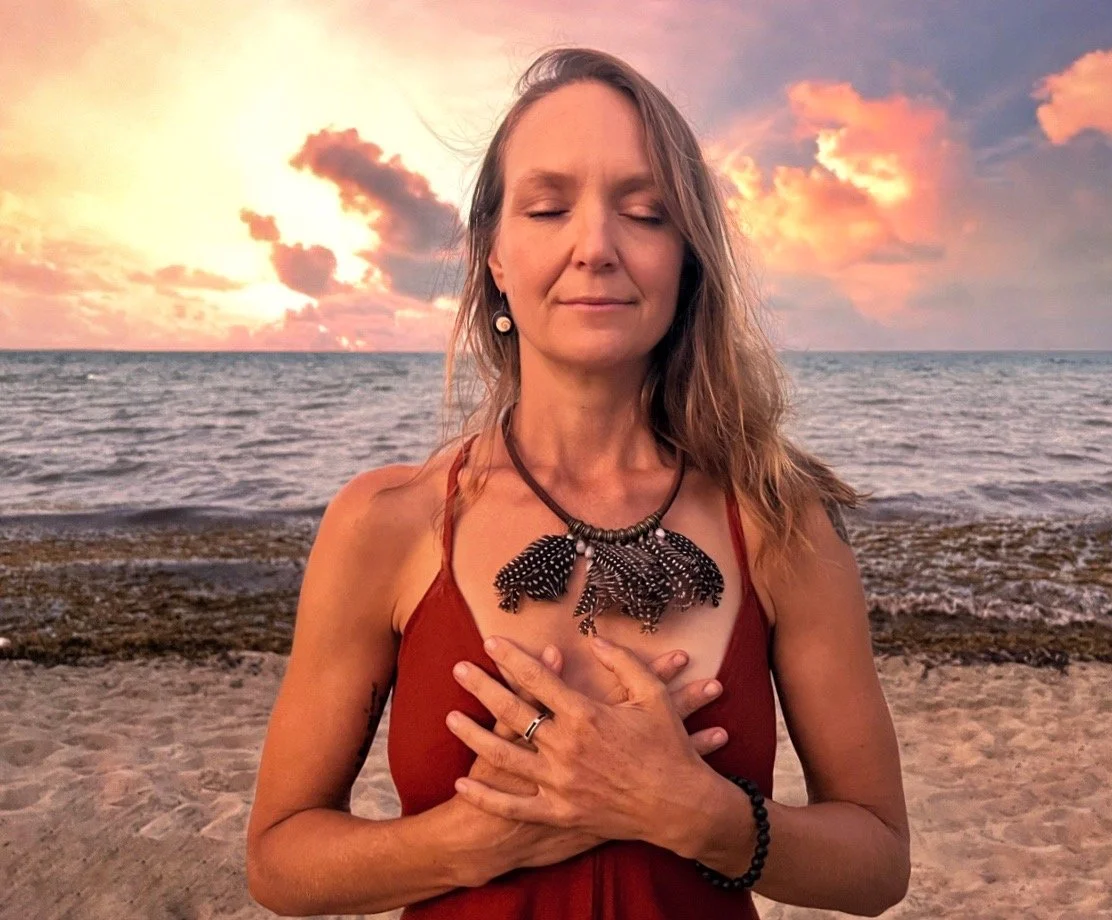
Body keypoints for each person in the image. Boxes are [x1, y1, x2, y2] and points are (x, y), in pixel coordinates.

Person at [245, 46, 909, 919]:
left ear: (686, 258)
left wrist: (698, 815)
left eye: (644, 213)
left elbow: (877, 863)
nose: (594, 247)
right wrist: (472, 842)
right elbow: (279, 861)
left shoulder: (779, 522)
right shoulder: (388, 521)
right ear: (493, 256)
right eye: (549, 208)